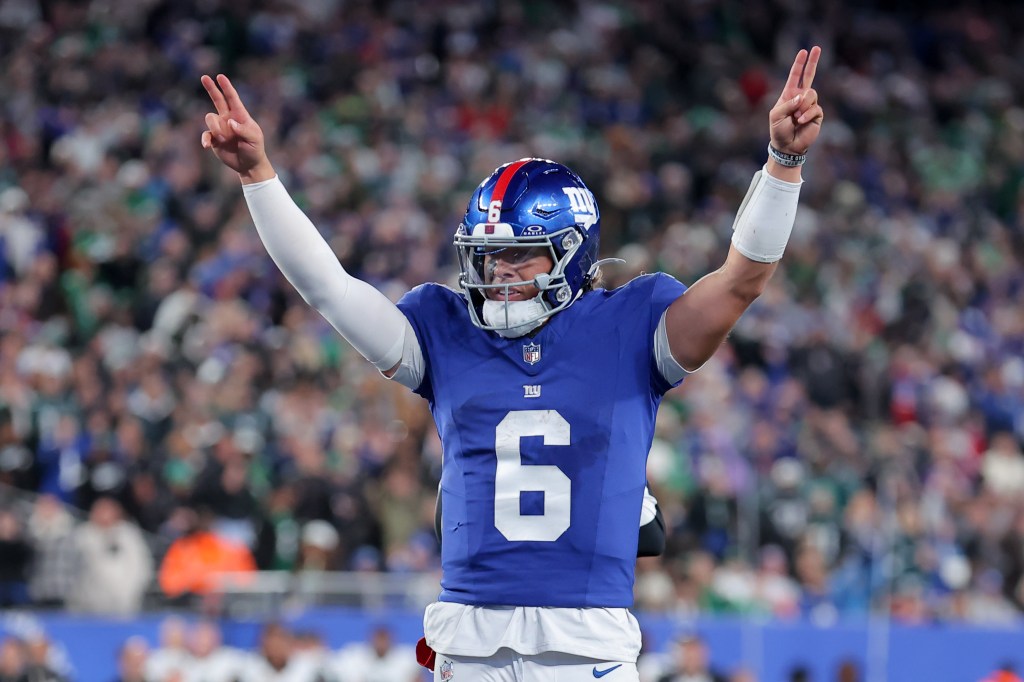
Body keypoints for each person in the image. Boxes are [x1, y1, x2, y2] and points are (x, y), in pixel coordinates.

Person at [201, 44, 823, 682]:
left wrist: (784, 162)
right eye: (488, 256)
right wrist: (259, 176)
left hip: (586, 646)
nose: (499, 272)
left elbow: (742, 280)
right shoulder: (446, 327)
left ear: (572, 254)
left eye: (521, 255)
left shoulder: (631, 323)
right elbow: (328, 289)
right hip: (469, 642)